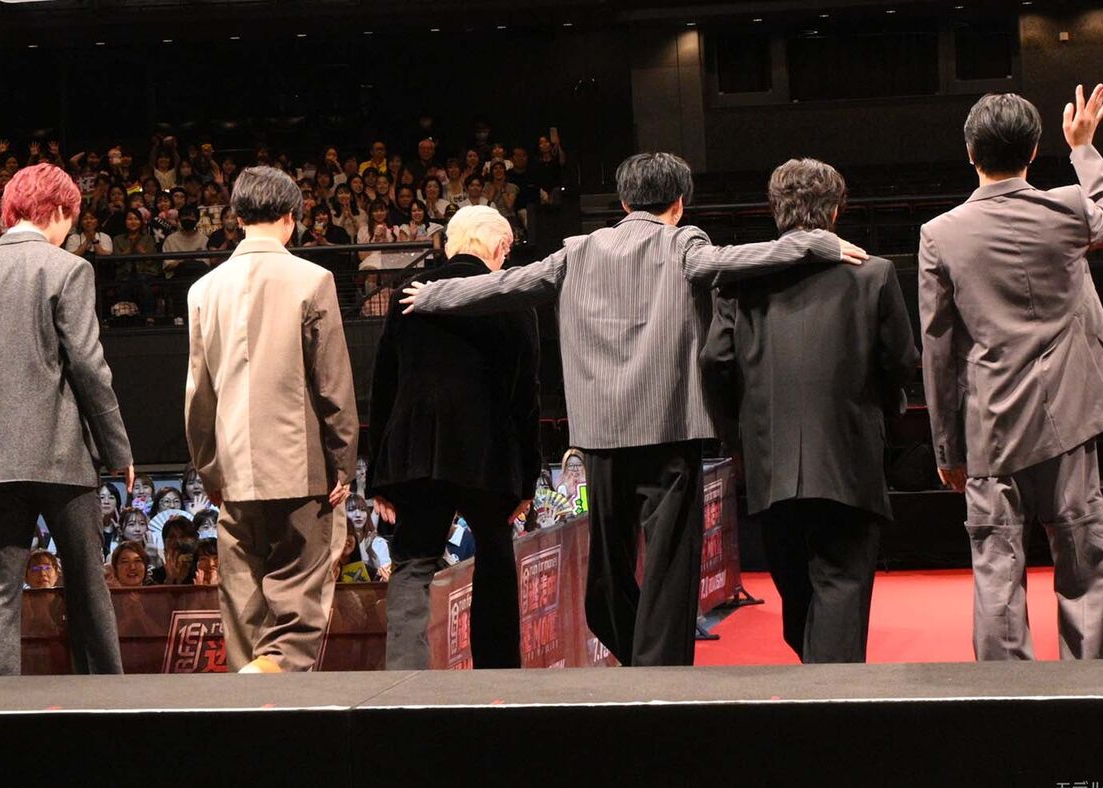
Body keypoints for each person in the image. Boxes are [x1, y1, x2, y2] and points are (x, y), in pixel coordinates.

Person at [403, 152, 864, 666]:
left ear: (623, 202)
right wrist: (816, 243)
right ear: (679, 203)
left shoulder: (577, 251)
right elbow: (744, 259)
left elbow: (506, 285)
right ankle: (659, 669)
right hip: (671, 433)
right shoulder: (685, 243)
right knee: (670, 568)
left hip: (601, 438)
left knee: (608, 576)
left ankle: (640, 656)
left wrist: (434, 294)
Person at [919, 86, 1103, 662]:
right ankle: (1098, 694)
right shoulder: (1067, 207)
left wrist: (947, 448)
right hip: (1070, 417)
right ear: (1036, 150)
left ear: (971, 152)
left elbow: (938, 350)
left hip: (991, 428)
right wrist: (1083, 148)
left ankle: (1006, 701)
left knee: (997, 572)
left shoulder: (939, 234)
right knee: (1084, 561)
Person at [701, 158, 918, 664]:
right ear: (837, 210)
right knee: (841, 581)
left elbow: (715, 360)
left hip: (769, 459)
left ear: (775, 210)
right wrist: (886, 411)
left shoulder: (740, 283)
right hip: (849, 457)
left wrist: (737, 434)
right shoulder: (874, 274)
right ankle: (830, 693)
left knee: (794, 583)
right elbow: (900, 362)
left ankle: (817, 676)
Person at [0, 162, 133, 676]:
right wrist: (117, 449)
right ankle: (105, 701)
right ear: (59, 210)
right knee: (86, 582)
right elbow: (89, 367)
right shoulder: (68, 269)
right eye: (71, 218)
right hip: (60, 454)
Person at [186, 166, 359, 673]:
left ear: (237, 217)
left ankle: (250, 703)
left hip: (233, 471)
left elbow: (198, 394)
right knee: (299, 606)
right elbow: (332, 383)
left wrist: (209, 469)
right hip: (300, 468)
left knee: (243, 606)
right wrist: (343, 461)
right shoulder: (313, 280)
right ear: (290, 217)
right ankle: (271, 683)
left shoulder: (203, 289)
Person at [369, 204, 542, 669]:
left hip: (416, 454)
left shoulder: (408, 295)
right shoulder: (512, 299)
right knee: (494, 559)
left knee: (412, 564)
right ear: (500, 246)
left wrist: (379, 476)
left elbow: (383, 386)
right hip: (488, 456)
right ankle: (497, 681)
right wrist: (527, 480)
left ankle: (404, 680)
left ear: (450, 245)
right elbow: (526, 397)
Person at [346, 495, 391, 581]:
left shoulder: (378, 543)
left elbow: (385, 576)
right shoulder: (341, 543)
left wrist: (371, 552)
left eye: (362, 510)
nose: (358, 514)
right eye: (351, 510)